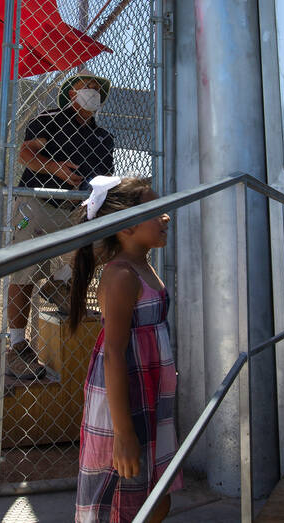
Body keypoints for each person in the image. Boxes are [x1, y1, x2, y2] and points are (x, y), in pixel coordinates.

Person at [69, 176, 181, 523]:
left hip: (147, 394)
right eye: (154, 210)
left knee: (156, 496)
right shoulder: (121, 276)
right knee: (124, 501)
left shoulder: (143, 265)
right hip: (125, 402)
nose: (165, 216)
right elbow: (115, 353)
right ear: (124, 226)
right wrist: (123, 434)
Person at [6, 70, 115, 380]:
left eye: (97, 88)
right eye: (87, 87)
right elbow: (26, 154)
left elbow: (104, 177)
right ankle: (17, 346)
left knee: (98, 246)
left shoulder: (103, 137)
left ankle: (60, 282)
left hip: (75, 209)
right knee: (23, 268)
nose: (93, 91)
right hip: (35, 204)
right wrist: (56, 169)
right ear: (71, 94)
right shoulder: (50, 119)